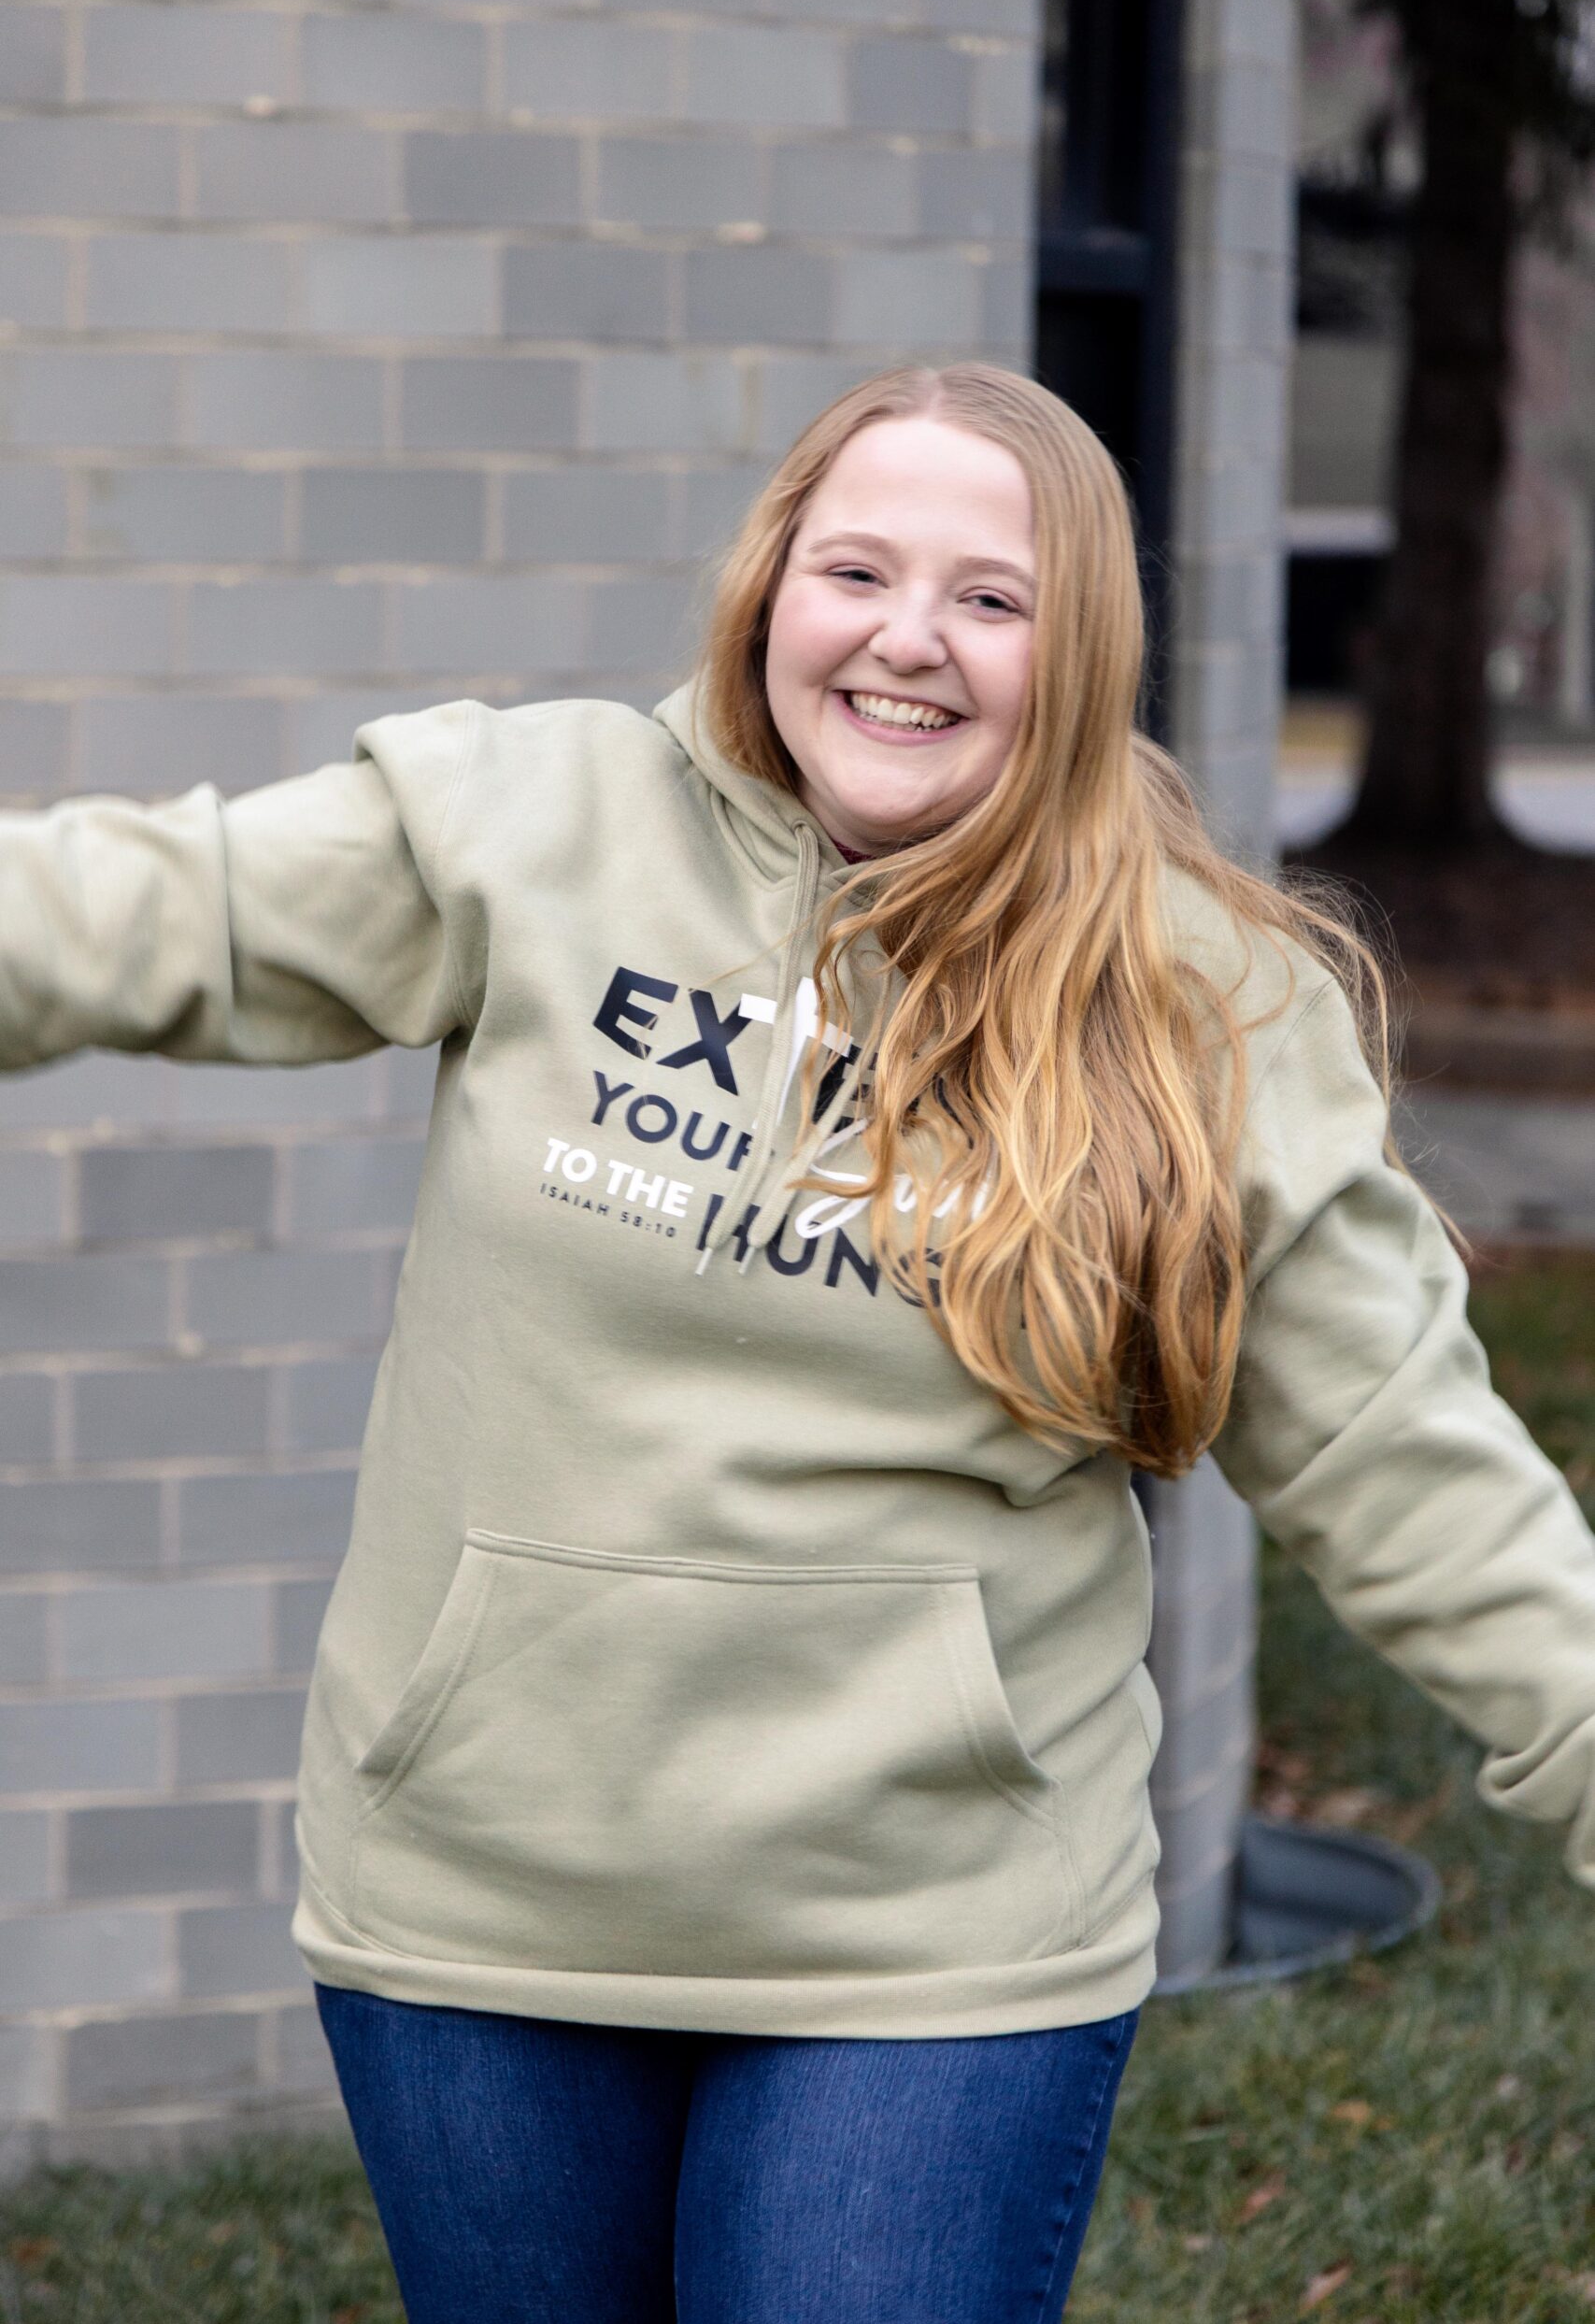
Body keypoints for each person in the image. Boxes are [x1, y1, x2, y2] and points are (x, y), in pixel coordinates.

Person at [3, 362, 1593, 2322]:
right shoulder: (534, 824)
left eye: (989, 598)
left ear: (1077, 646)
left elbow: (1399, 1452)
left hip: (928, 1942)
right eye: (856, 569)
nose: (907, 639)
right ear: (772, 590)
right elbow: (130, 912)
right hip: (486, 1899)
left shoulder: (1195, 1007)